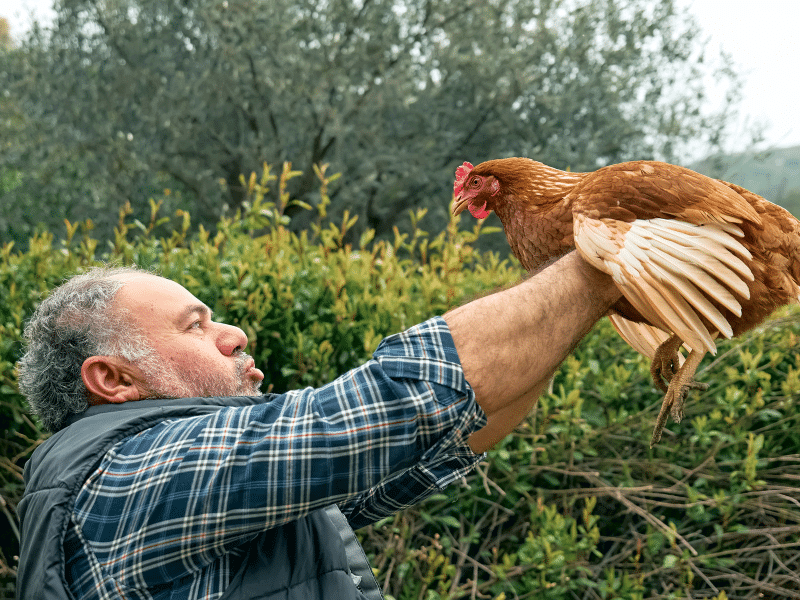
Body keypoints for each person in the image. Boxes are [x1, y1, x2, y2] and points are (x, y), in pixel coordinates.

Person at [15, 251, 620, 600]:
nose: (234, 335)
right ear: (115, 381)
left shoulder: (202, 493)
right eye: (194, 325)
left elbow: (448, 431)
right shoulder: (133, 474)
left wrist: (570, 311)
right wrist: (602, 268)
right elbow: (388, 407)